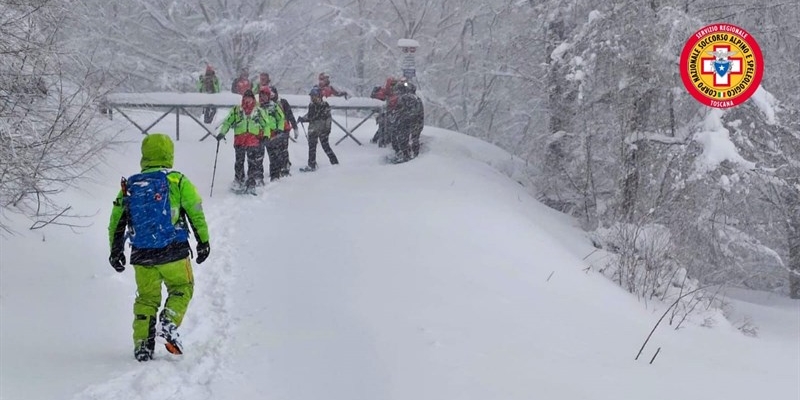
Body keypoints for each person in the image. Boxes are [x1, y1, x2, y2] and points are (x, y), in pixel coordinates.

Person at [108, 133, 211, 362]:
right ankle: (169, 321)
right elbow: (195, 210)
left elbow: (117, 220)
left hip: (142, 255)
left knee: (146, 299)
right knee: (182, 287)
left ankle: (143, 345)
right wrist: (203, 241)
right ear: (169, 154)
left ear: (144, 156)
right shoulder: (177, 180)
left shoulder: (131, 186)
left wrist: (115, 251)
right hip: (173, 250)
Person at [217, 89, 274, 191]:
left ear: (253, 99)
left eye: (250, 98)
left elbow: (266, 124)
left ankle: (251, 181)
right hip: (239, 140)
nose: (247, 100)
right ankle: (239, 180)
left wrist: (266, 135)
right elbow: (227, 122)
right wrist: (222, 132)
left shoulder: (259, 111)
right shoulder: (237, 110)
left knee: (252, 162)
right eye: (246, 97)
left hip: (253, 140)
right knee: (239, 161)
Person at [297, 86, 338, 171]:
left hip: (323, 130)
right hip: (313, 129)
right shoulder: (311, 105)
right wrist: (303, 119)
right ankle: (311, 165)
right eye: (311, 96)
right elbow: (310, 116)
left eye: (314, 96)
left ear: (319, 96)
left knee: (325, 146)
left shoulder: (324, 105)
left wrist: (327, 129)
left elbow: (328, 118)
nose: (312, 98)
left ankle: (335, 163)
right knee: (312, 147)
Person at [257, 86, 287, 182]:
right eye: (261, 95)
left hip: (273, 134)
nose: (263, 97)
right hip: (260, 135)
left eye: (265, 95)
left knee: (274, 157)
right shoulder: (257, 106)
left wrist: (280, 128)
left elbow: (281, 118)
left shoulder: (274, 106)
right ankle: (259, 177)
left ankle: (275, 176)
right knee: (258, 158)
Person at [390, 80, 424, 163]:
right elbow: (419, 112)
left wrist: (397, 118)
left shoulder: (404, 98)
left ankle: (405, 155)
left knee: (402, 139)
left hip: (406, 122)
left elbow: (400, 111)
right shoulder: (417, 99)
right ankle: (415, 155)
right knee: (415, 139)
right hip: (417, 122)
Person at [270, 86, 298, 177]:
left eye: (272, 94)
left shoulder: (283, 102)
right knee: (276, 149)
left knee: (284, 148)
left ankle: (285, 166)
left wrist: (295, 127)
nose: (271, 96)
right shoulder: (268, 104)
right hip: (274, 129)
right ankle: (278, 167)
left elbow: (290, 114)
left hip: (285, 128)